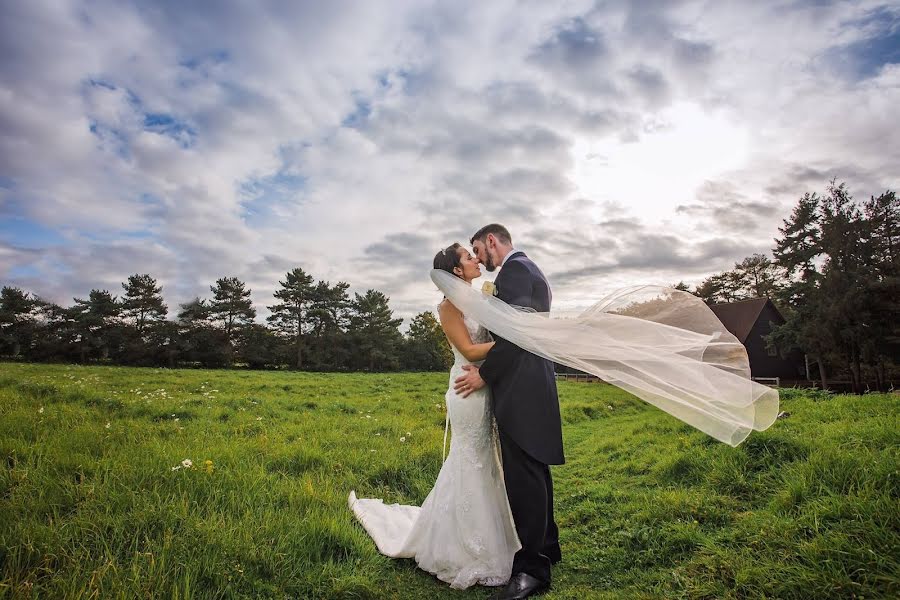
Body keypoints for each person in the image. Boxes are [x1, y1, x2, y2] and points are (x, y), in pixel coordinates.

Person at [348, 242, 521, 590]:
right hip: (466, 391)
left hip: (485, 386)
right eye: (469, 257)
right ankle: (462, 546)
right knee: (469, 459)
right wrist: (515, 340)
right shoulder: (448, 307)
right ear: (457, 271)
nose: (476, 260)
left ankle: (495, 537)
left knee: (487, 462)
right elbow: (470, 349)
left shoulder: (479, 299)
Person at [454, 223, 562, 600]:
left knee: (523, 476)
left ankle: (533, 569)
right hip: (533, 382)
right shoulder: (531, 270)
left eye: (478, 252)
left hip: (522, 386)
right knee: (535, 470)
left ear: (492, 241)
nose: (480, 261)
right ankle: (548, 546)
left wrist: (485, 373)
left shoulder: (516, 271)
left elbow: (516, 334)